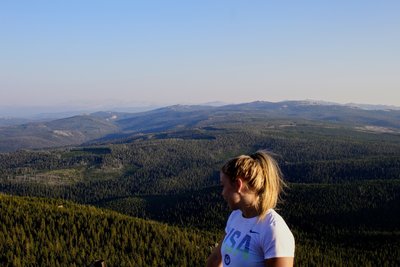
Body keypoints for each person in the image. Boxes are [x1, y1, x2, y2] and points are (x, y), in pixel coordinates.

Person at [206, 151, 295, 267]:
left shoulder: (273, 229)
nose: (222, 193)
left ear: (238, 185)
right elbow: (216, 259)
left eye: (223, 186)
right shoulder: (235, 216)